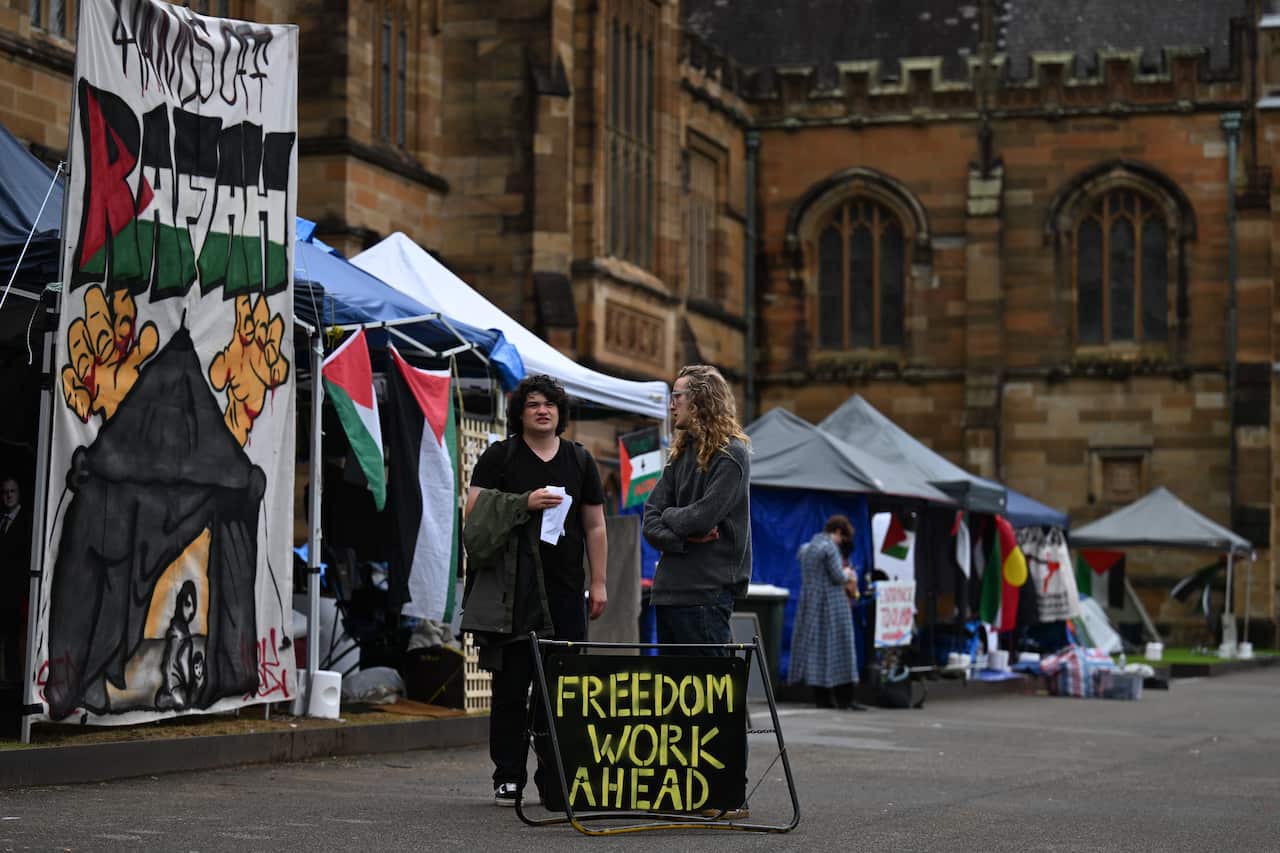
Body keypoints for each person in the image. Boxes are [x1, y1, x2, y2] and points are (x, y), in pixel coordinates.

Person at [461, 375, 607, 809]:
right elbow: (474, 517)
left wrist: (598, 582)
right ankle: (507, 775)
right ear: (520, 413)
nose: (542, 410)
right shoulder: (499, 457)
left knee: (560, 689)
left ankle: (553, 777)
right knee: (511, 687)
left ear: (560, 413)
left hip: (565, 590)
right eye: (533, 404)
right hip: (513, 591)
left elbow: (595, 525)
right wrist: (522, 503)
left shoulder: (580, 461)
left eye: (549, 405)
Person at [642, 365, 751, 655]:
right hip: (667, 593)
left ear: (701, 398)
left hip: (706, 593)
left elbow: (703, 517)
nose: (671, 404)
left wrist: (669, 516)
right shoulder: (678, 455)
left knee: (708, 694)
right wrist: (680, 537)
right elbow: (649, 520)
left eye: (677, 395)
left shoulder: (731, 454)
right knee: (674, 696)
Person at [789, 514, 867, 711]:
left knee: (818, 652)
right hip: (833, 604)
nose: (844, 544)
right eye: (844, 538)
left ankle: (823, 699)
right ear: (839, 532)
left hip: (810, 604)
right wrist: (849, 573)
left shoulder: (807, 548)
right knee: (842, 650)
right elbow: (838, 576)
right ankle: (846, 700)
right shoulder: (830, 548)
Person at [0, 477, 31, 683]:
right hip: (4, 588)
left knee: (18, 635)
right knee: (5, 635)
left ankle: (19, 679)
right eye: (5, 492)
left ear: (19, 494)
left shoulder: (26, 521)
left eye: (12, 491)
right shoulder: (2, 520)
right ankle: (7, 675)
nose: (9, 495)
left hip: (18, 589)